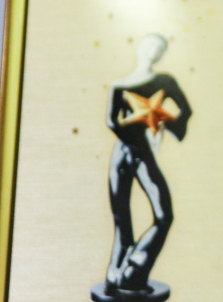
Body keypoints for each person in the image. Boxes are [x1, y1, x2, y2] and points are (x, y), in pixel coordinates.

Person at [95, 34, 191, 302]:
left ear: (162, 55)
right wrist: (139, 129)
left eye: (159, 49)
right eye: (150, 45)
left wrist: (163, 123)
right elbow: (112, 121)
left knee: (164, 215)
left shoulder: (165, 81)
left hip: (142, 153)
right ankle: (116, 273)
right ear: (140, 48)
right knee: (121, 219)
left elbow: (186, 110)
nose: (153, 51)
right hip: (123, 154)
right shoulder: (119, 85)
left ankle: (136, 264)